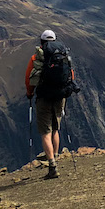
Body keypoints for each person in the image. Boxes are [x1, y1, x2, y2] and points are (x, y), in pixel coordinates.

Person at [24, 29, 77, 179]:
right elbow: (70, 75)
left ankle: (52, 165)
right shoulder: (63, 55)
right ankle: (55, 157)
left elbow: (29, 78)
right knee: (55, 129)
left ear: (41, 42)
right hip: (60, 96)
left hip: (44, 98)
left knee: (45, 132)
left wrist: (30, 93)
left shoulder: (37, 57)